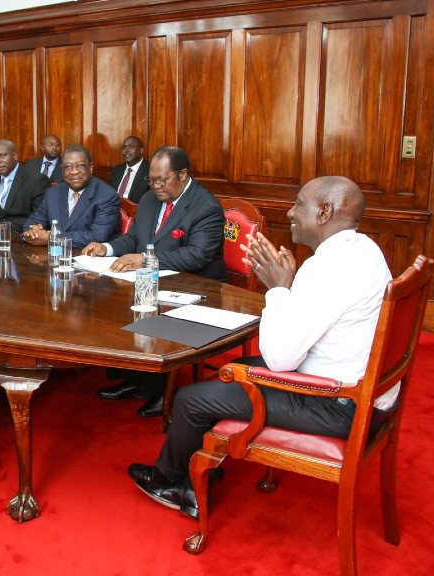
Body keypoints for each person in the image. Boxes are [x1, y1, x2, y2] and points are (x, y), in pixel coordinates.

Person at [128, 176, 393, 519]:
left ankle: (171, 481)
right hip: (368, 395)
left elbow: (279, 359)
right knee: (228, 379)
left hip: (338, 404)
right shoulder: (366, 250)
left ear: (325, 212)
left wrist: (278, 289)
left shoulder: (326, 268)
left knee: (190, 399)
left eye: (299, 203)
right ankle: (200, 466)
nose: (290, 212)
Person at [82, 146, 227, 418]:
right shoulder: (149, 199)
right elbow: (134, 240)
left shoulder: (205, 206)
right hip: (154, 281)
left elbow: (197, 255)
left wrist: (147, 260)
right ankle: (139, 379)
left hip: (198, 288)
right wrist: (106, 248)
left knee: (151, 311)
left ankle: (163, 390)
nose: (156, 186)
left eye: (163, 180)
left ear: (183, 175)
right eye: (152, 180)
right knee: (107, 304)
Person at [23, 144, 121, 248]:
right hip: (54, 257)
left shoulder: (106, 196)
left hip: (90, 258)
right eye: (68, 167)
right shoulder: (53, 193)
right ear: (62, 169)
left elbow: (97, 237)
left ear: (91, 168)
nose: (74, 171)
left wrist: (52, 238)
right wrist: (31, 233)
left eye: (80, 166)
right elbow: (32, 223)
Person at [109, 136, 150, 204]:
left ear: (141, 150)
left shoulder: (150, 171)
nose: (126, 150)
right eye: (124, 147)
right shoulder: (116, 170)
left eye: (131, 147)